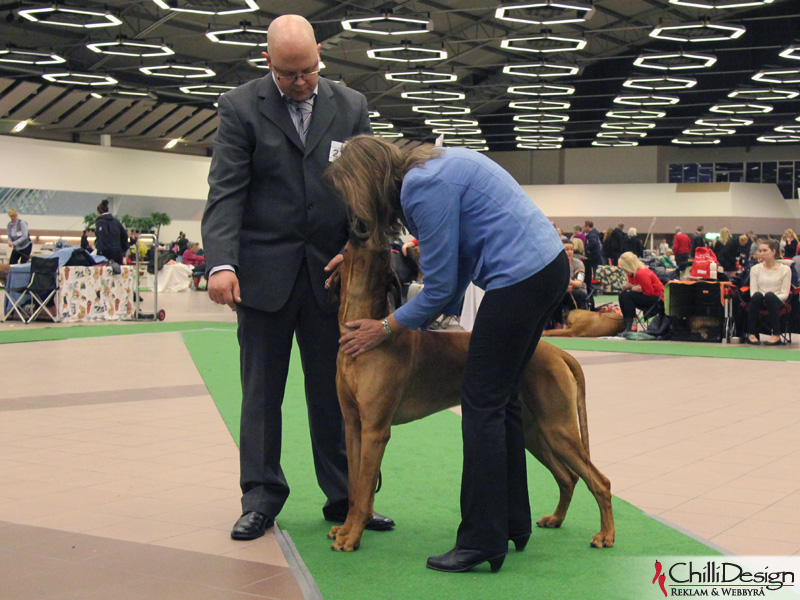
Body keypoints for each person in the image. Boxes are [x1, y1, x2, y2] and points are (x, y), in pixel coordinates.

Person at [326, 135, 569, 573]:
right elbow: (452, 275)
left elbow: (439, 287)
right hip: (544, 269)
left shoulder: (421, 187)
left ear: (368, 180)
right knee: (503, 400)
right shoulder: (432, 167)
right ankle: (513, 523)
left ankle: (481, 540)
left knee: (481, 404)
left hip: (520, 278)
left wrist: (386, 327)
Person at [201, 15, 392, 542]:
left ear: (320, 55)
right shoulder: (240, 107)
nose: (300, 83)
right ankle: (260, 498)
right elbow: (226, 192)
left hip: (333, 281)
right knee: (261, 394)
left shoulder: (350, 105)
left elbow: (368, 188)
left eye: (307, 71)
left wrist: (358, 247)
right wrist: (220, 263)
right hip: (263, 278)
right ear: (267, 63)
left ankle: (350, 499)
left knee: (337, 395)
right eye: (288, 75)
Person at [746, 239, 791, 346]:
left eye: (765, 250)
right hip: (759, 300)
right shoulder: (755, 269)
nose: (761, 254)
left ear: (774, 252)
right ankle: (751, 334)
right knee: (757, 295)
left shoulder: (785, 270)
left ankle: (776, 335)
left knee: (770, 296)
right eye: (760, 251)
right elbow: (753, 292)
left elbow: (785, 294)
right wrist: (763, 296)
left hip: (777, 301)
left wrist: (769, 296)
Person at [617, 251, 664, 334]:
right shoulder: (631, 273)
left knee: (627, 296)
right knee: (623, 295)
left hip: (659, 300)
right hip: (649, 297)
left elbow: (649, 292)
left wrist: (632, 287)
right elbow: (634, 287)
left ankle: (630, 326)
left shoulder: (641, 273)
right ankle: (629, 324)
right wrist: (630, 287)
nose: (623, 269)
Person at [94, 199, 128, 264]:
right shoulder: (116, 221)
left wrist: (100, 251)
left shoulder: (101, 222)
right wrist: (122, 249)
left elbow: (101, 238)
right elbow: (124, 235)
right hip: (117, 253)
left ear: (99, 212)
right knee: (117, 272)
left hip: (105, 255)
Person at [561, 240, 587, 313]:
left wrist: (567, 282)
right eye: (567, 249)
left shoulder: (578, 263)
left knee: (578, 294)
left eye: (571, 249)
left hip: (577, 290)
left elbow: (579, 283)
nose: (569, 252)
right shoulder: (557, 264)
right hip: (562, 290)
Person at [583, 220, 602, 284]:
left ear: (587, 226)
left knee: (595, 270)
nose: (583, 228)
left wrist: (586, 248)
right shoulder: (595, 233)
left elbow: (593, 243)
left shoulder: (592, 234)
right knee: (596, 270)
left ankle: (595, 283)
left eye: (584, 226)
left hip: (594, 255)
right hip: (596, 254)